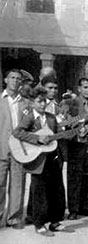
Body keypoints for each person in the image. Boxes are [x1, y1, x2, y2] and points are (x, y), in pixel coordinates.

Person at [12, 87, 72, 236]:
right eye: (39, 101)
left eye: (44, 101)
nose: (42, 104)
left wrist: (75, 132)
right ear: (32, 103)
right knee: (39, 193)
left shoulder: (51, 117)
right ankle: (39, 224)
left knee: (57, 190)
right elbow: (17, 132)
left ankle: (55, 221)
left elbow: (59, 133)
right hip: (37, 160)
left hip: (52, 159)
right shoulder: (30, 117)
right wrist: (37, 138)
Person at [61, 77, 88, 219]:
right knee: (74, 177)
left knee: (87, 175)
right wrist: (81, 122)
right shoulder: (70, 103)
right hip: (75, 143)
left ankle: (84, 205)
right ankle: (73, 209)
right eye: (85, 87)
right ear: (79, 88)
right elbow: (65, 122)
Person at [0, 69, 31, 229]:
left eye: (18, 79)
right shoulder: (0, 100)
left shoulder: (26, 103)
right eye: (12, 77)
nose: (15, 81)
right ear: (6, 80)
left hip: (19, 149)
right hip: (1, 148)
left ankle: (14, 218)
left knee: (18, 184)